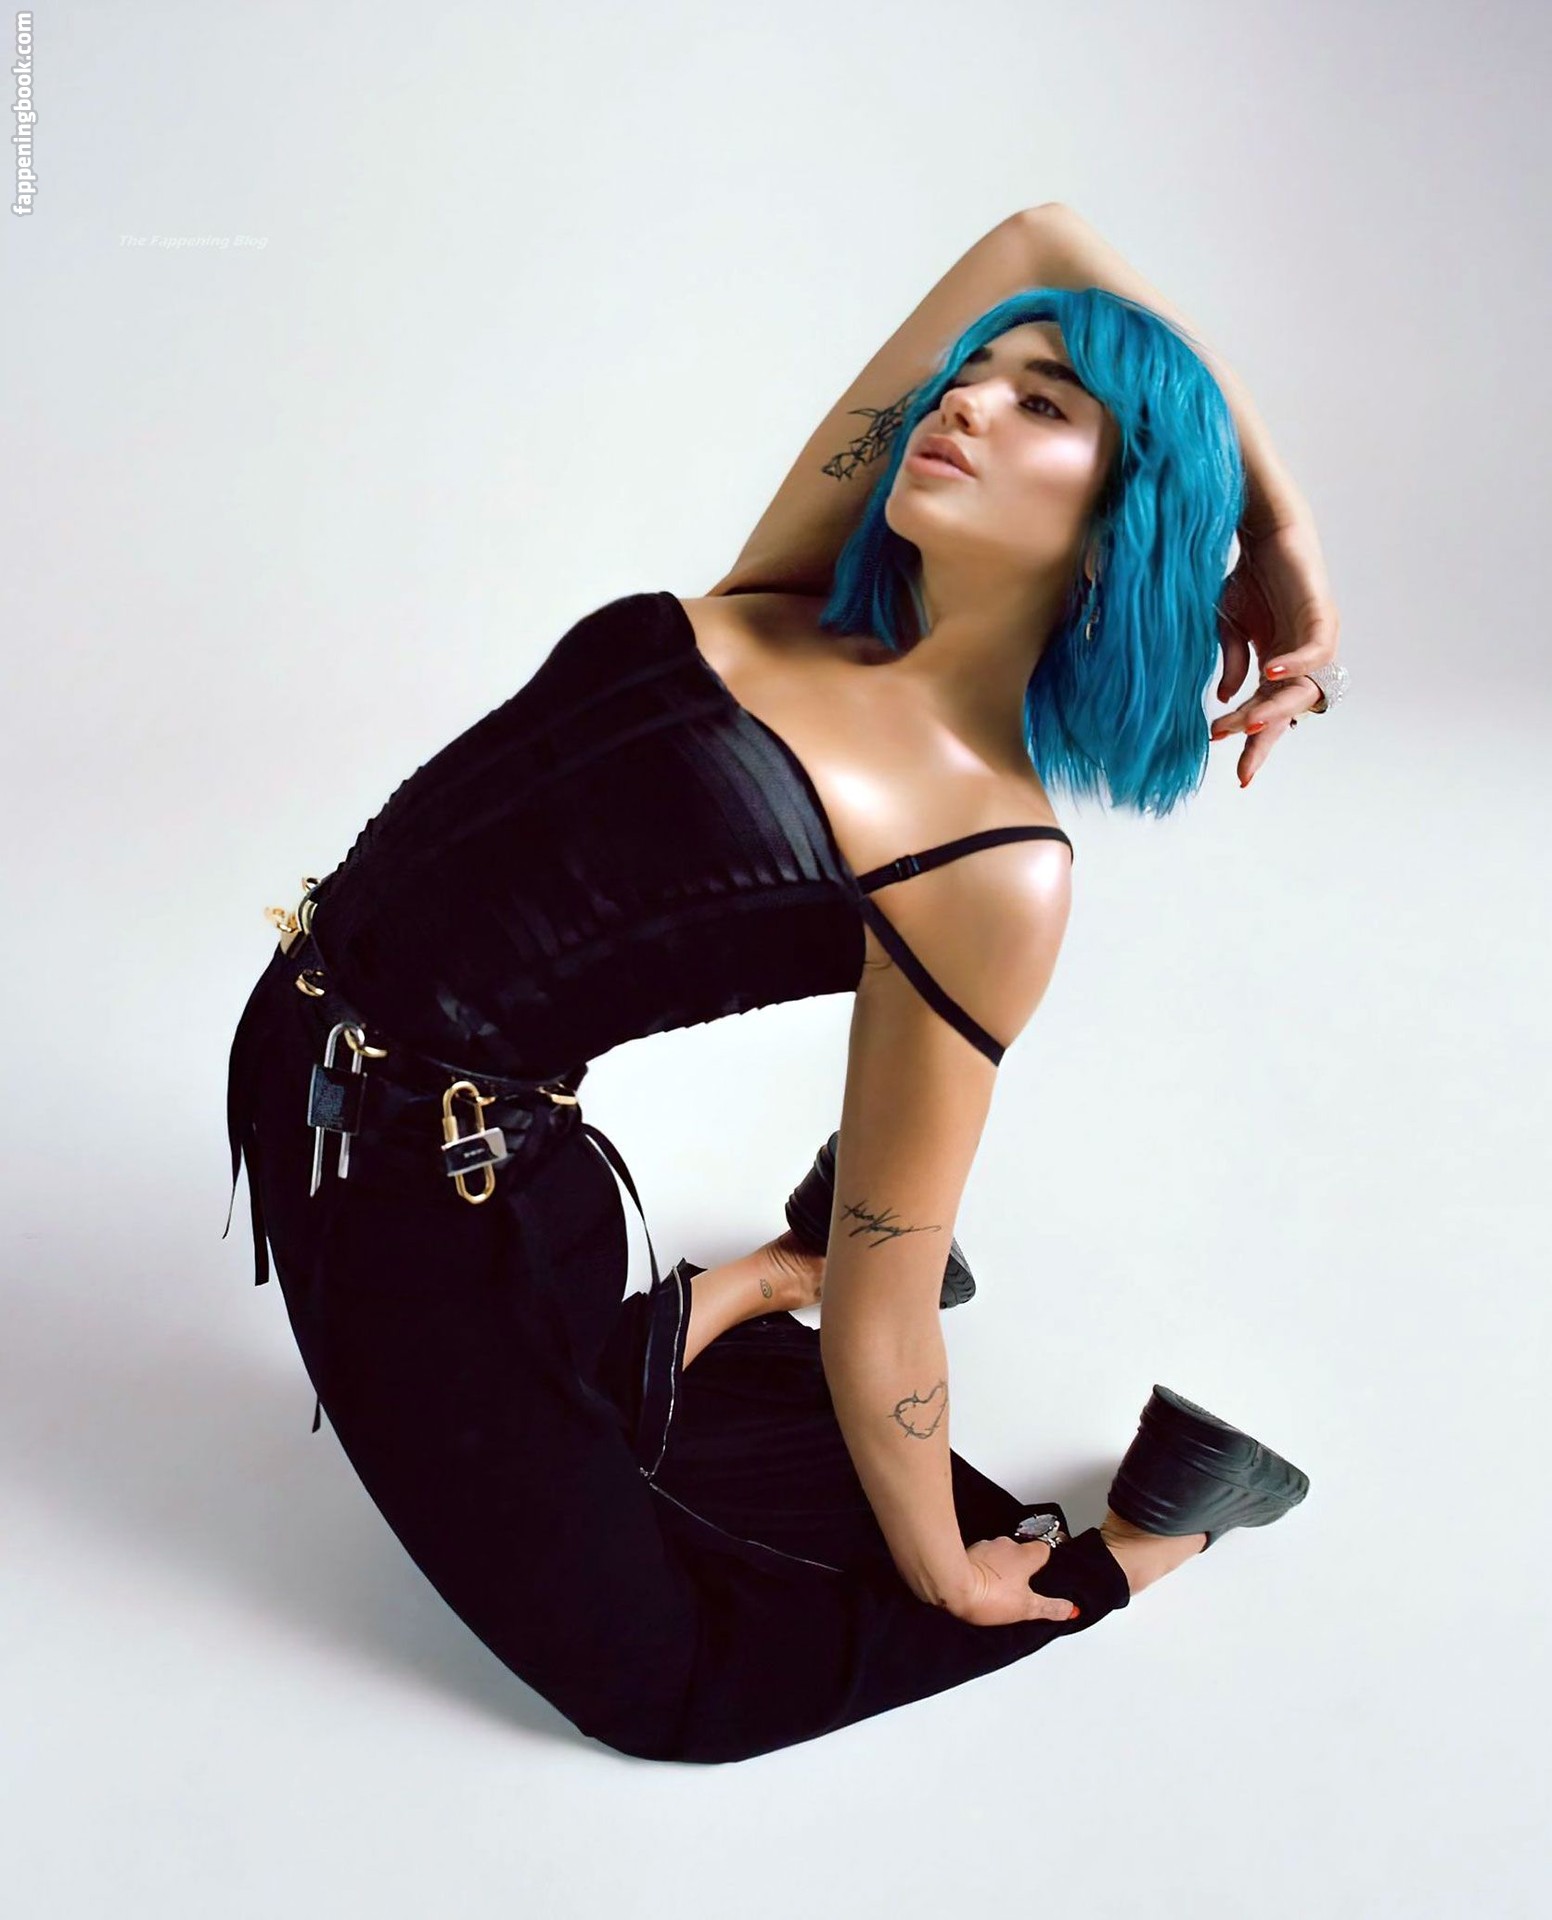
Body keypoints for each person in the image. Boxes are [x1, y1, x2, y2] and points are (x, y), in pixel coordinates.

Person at [222, 206, 1339, 1764]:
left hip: (436, 1200)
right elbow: (1039, 239)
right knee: (575, 1403)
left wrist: (950, 1571)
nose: (966, 402)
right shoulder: (794, 586)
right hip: (315, 1096)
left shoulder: (992, 863)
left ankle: (1163, 1530)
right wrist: (1283, 536)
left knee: (674, 1686)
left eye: (1043, 405)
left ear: (1126, 519)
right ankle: (763, 1272)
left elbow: (892, 1292)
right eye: (974, 377)